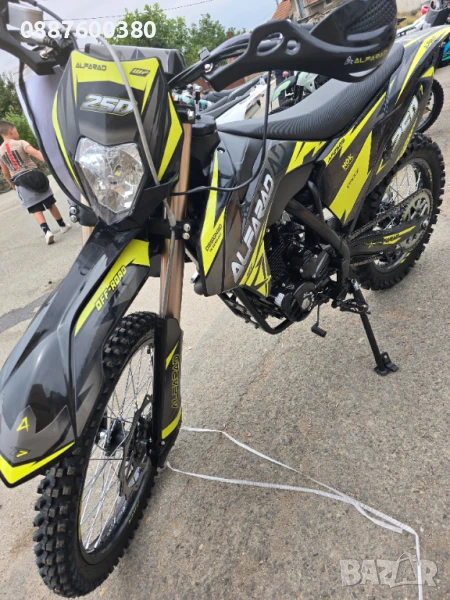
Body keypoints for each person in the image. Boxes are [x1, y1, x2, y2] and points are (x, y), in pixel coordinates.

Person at [0, 120, 71, 244]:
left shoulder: (0, 151)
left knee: (35, 208)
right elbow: (36, 153)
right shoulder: (21, 143)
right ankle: (62, 225)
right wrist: (52, 164)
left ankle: (47, 231)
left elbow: (6, 173)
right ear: (10, 130)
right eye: (15, 130)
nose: (17, 132)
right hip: (34, 175)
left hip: (20, 181)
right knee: (50, 203)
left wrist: (13, 185)